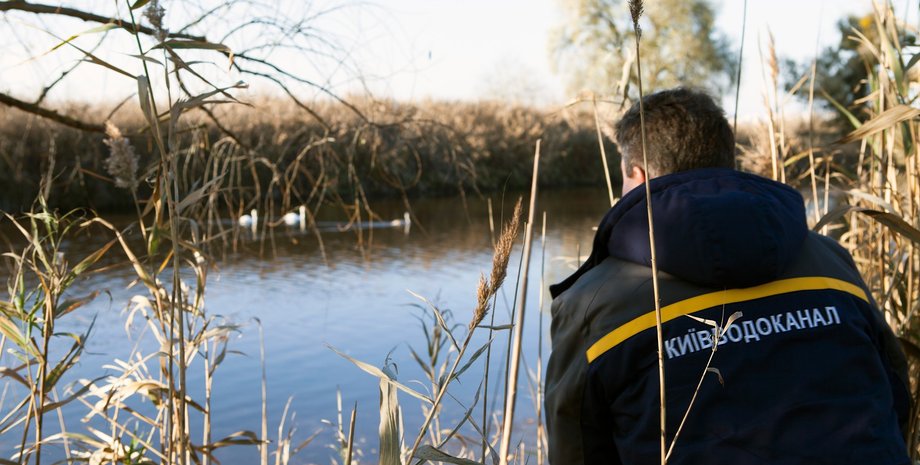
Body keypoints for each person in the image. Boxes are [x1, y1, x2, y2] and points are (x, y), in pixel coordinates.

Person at [544, 88, 911, 465]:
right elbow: (895, 389)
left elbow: (577, 450)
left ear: (635, 174)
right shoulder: (831, 260)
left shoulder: (593, 303)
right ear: (728, 160)